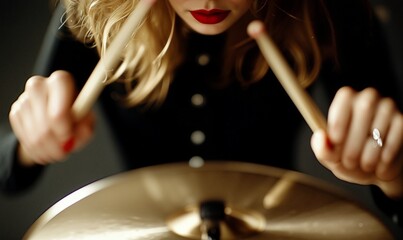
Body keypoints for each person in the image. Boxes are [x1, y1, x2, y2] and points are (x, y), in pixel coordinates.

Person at [1, 0, 402, 230]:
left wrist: (389, 163)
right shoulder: (93, 7)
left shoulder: (331, 9)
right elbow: (8, 174)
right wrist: (31, 142)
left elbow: (392, 159)